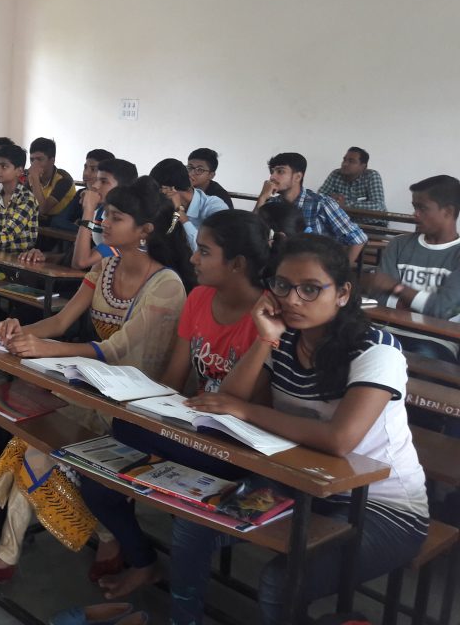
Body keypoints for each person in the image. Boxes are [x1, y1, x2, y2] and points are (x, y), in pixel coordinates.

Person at [169, 234, 428, 625]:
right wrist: (264, 339)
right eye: (283, 286)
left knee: (282, 582)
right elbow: (228, 401)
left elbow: (338, 440)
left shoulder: (377, 350)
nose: (292, 300)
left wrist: (246, 410)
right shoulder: (285, 338)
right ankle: (182, 619)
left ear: (342, 293)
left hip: (383, 507)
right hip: (306, 484)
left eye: (310, 289)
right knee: (193, 524)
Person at [0, 177, 192, 584]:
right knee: (30, 442)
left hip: (139, 405)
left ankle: (42, 549)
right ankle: (94, 539)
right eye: (105, 215)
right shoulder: (106, 265)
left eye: (116, 218)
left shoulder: (166, 285)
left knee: (37, 451)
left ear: (145, 231)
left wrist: (48, 350)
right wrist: (16, 331)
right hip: (95, 386)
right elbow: (63, 320)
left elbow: (117, 349)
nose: (105, 223)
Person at [77, 211, 269, 602]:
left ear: (237, 264)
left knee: (127, 437)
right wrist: (154, 415)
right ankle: (143, 562)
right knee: (98, 472)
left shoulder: (266, 317)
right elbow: (173, 380)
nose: (193, 259)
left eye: (204, 251)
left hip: (239, 444)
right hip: (194, 425)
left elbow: (247, 407)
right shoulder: (199, 298)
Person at [365, 174, 460, 361]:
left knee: (414, 361)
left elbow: (443, 310)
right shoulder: (398, 244)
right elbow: (379, 296)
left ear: (448, 211)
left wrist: (396, 287)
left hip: (435, 339)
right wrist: (423, 304)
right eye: (414, 207)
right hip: (385, 329)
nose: (414, 214)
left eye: (422, 208)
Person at [18, 158, 137, 270]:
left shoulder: (125, 225)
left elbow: (80, 262)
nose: (95, 186)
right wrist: (45, 257)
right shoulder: (100, 213)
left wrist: (88, 210)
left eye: (104, 182)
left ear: (122, 188)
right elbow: (90, 236)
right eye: (97, 180)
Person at [254, 152, 367, 264]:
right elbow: (253, 233)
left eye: (280, 171)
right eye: (272, 171)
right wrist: (262, 197)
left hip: (315, 268)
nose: (272, 177)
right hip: (281, 267)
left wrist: (340, 275)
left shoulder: (320, 203)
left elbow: (358, 239)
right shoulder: (273, 204)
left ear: (298, 177)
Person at [149, 158, 228, 251]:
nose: (157, 197)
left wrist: (181, 215)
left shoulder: (215, 206)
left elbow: (206, 251)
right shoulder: (164, 207)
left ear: (170, 190)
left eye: (159, 191)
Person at [318, 147, 387, 215]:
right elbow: (319, 197)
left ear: (363, 166)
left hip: (371, 224)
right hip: (343, 223)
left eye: (351, 161)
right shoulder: (336, 174)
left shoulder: (371, 176)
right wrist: (332, 200)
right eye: (344, 160)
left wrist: (344, 204)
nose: (345, 164)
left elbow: (378, 206)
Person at [27, 137, 77, 228]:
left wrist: (35, 179)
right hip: (40, 224)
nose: (34, 164)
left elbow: (43, 209)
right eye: (32, 160)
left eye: (39, 159)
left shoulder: (64, 179)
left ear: (52, 160)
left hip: (61, 229)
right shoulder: (30, 176)